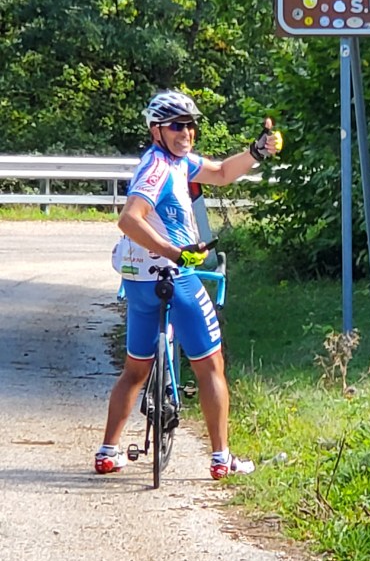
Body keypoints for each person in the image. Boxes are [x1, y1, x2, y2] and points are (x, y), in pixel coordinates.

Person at [95, 89, 279, 480]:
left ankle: (107, 452)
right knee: (210, 365)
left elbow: (222, 174)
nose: (186, 133)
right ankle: (221, 458)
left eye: (191, 125)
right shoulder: (159, 168)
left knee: (135, 370)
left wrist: (256, 152)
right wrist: (174, 253)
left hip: (139, 283)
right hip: (174, 276)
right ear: (156, 130)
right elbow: (129, 218)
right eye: (177, 126)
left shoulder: (177, 162)